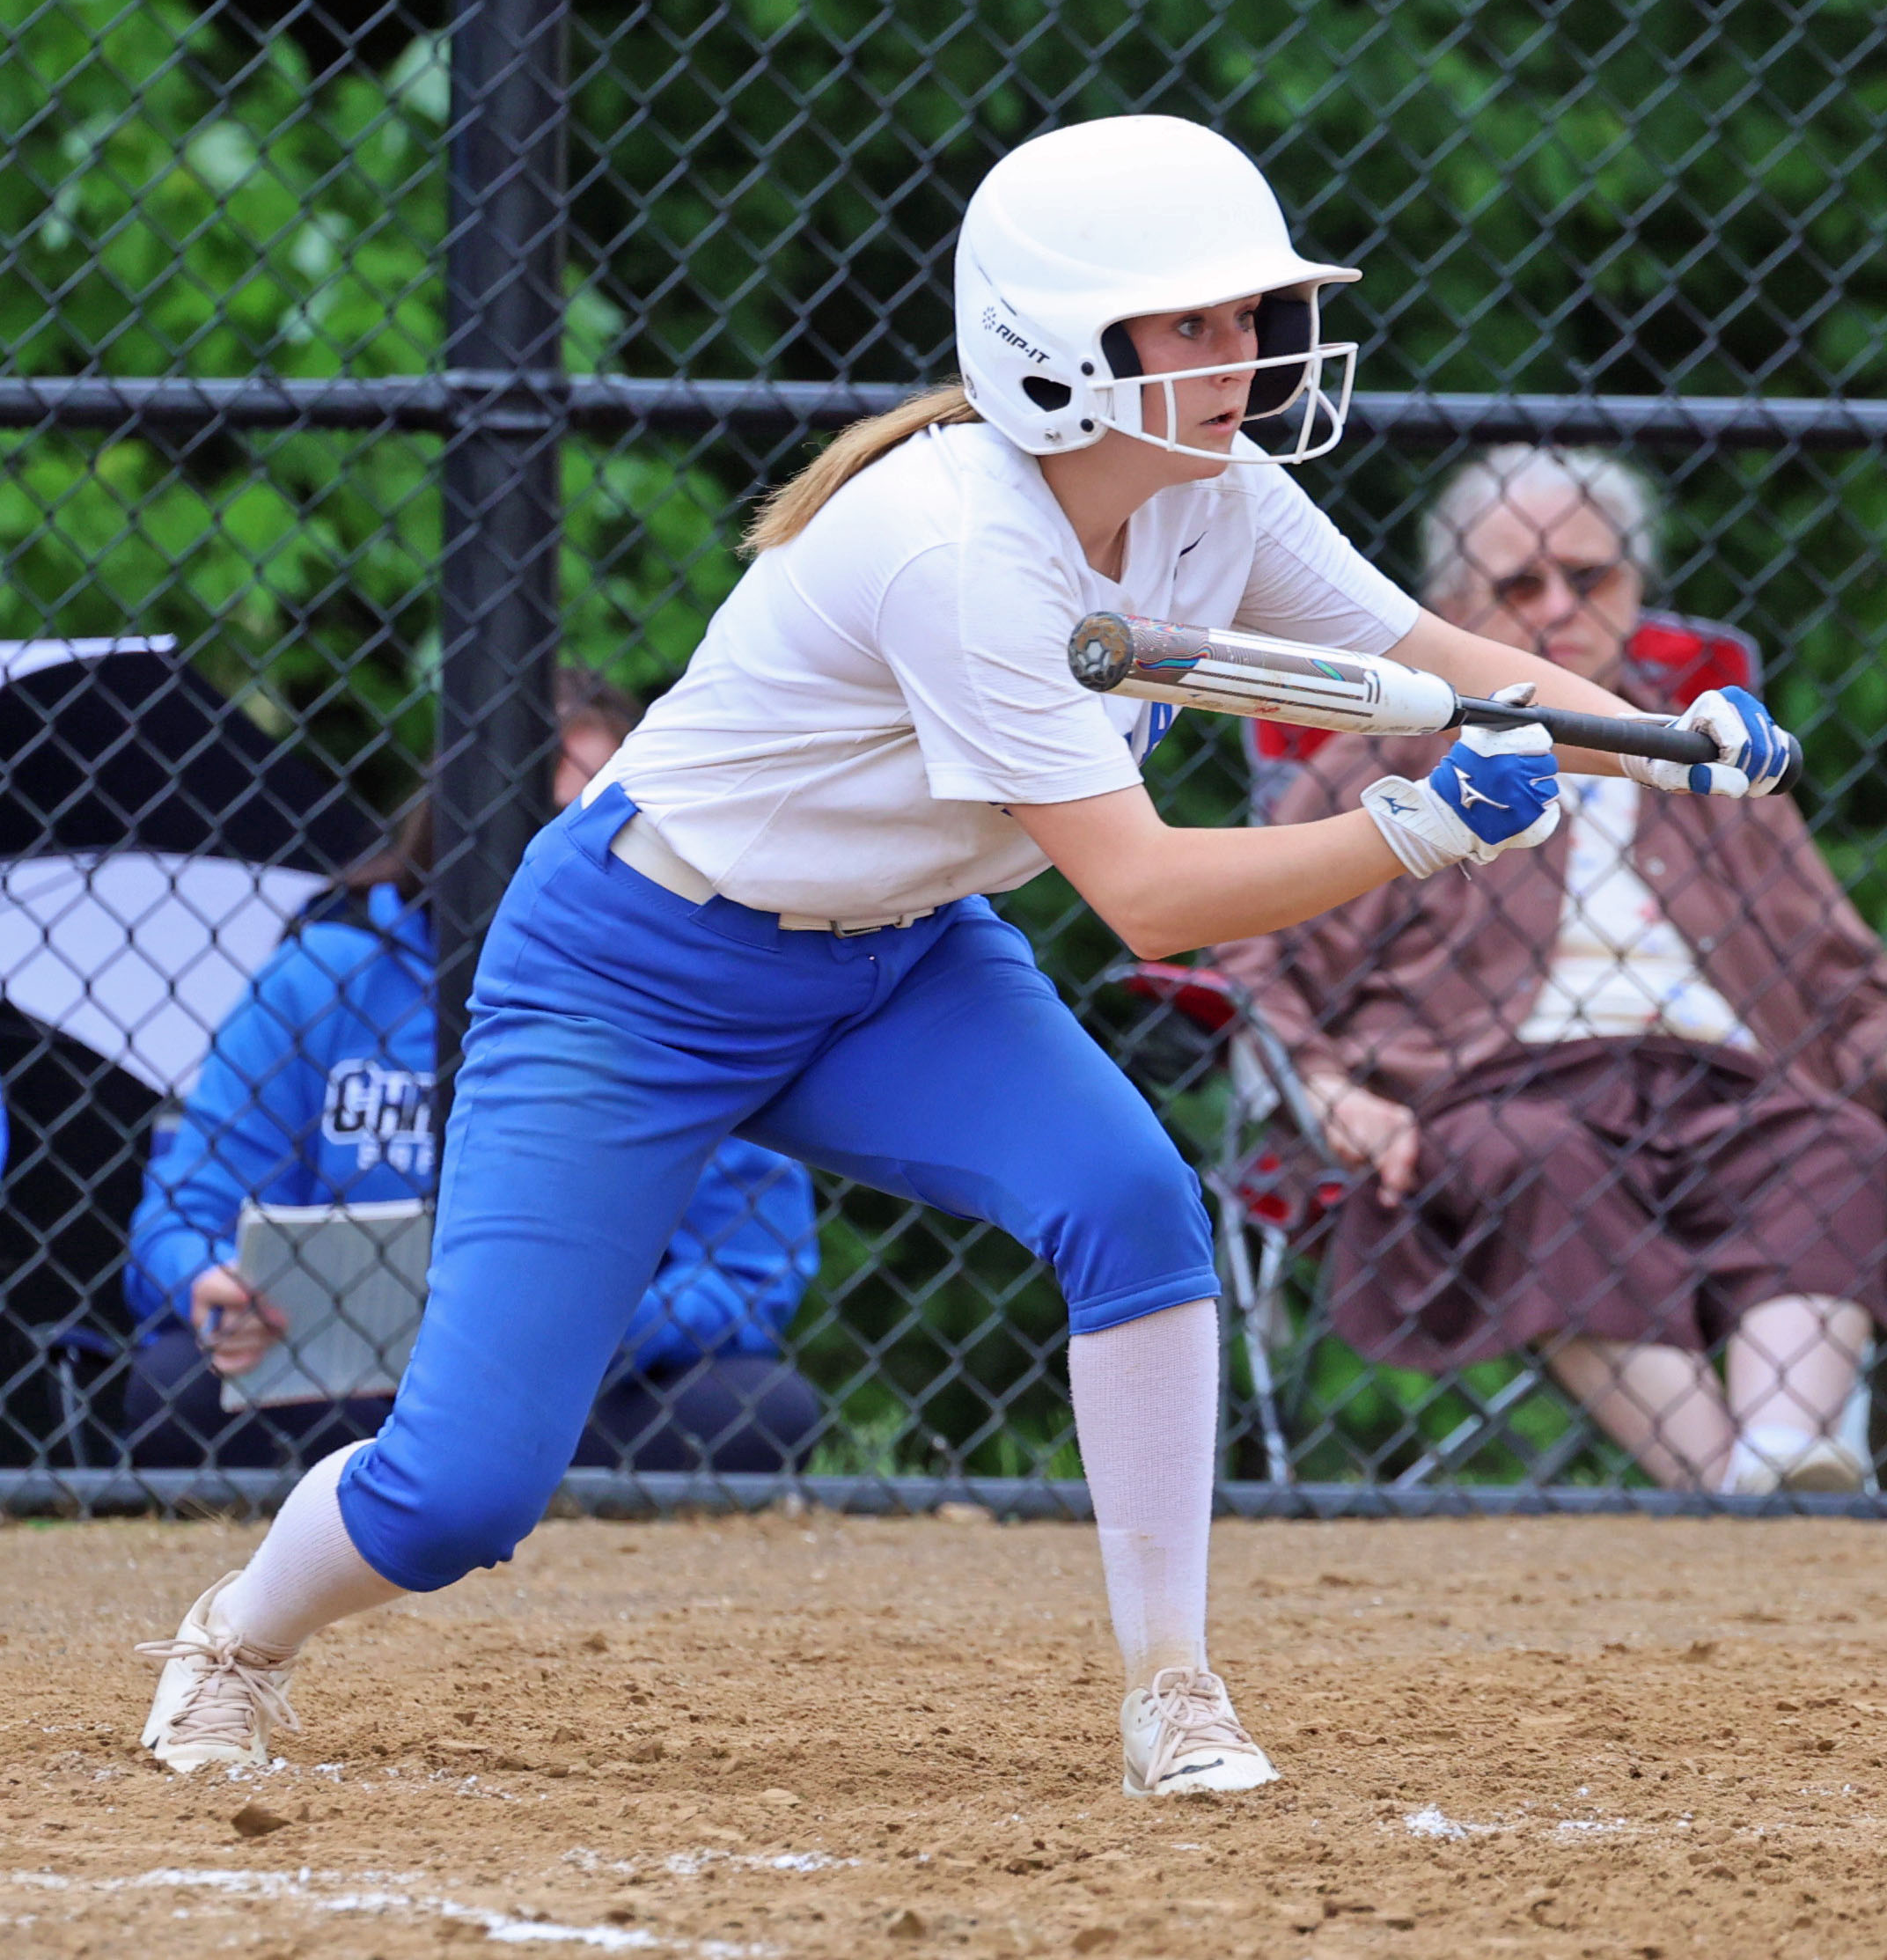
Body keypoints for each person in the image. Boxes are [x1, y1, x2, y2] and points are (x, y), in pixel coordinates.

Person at [136, 118, 1792, 1798]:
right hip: (629, 973)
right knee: (464, 1493)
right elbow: (1143, 895)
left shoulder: (1216, 500)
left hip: (897, 959)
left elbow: (1456, 666)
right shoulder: (954, 545)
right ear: (1061, 348)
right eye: (1194, 323)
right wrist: (1415, 830)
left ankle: (1173, 1689)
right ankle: (234, 1637)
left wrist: (1667, 739)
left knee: (1131, 1199)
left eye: (1248, 319)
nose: (1244, 355)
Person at [1216, 446, 1886, 1494]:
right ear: (1445, 606)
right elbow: (1253, 950)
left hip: (1732, 1087)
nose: (1559, 603)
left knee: (1841, 1150)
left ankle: (1781, 1455)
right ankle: (1744, 1498)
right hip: (1491, 1089)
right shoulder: (1379, 763)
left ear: (1634, 591)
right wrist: (1325, 1088)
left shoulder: (1710, 760)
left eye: (1591, 575)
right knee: (1542, 1163)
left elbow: (1847, 977)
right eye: (1518, 583)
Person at [121, 666, 821, 1473]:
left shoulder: (690, 1000)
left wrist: (609, 1325)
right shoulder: (321, 977)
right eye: (533, 820)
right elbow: (176, 1222)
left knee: (756, 1409)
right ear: (453, 815)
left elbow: (751, 1267)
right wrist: (210, 1287)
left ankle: (467, 1483)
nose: (560, 854)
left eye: (591, 821)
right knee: (172, 1387)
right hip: (341, 1384)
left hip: (573, 1387)